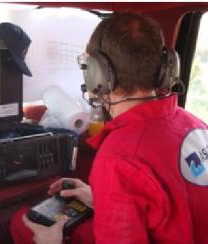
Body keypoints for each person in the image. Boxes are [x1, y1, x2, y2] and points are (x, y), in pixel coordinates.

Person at [10, 12, 208, 244]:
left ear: (97, 75)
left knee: (22, 223)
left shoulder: (119, 157)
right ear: (167, 67)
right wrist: (102, 198)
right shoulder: (193, 124)